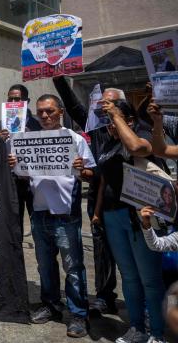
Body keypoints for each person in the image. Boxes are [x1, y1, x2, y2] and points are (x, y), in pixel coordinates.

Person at [92, 99, 166, 343]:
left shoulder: (141, 135)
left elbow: (136, 148)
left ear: (130, 120)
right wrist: (97, 211)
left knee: (150, 279)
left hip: (138, 216)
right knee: (129, 276)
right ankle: (137, 328)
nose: (110, 125)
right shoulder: (109, 143)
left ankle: (157, 332)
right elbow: (104, 179)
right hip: (113, 216)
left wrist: (117, 116)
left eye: (114, 119)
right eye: (108, 120)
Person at [25, 94, 94, 338]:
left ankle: (78, 315)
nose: (44, 116)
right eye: (40, 112)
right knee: (45, 266)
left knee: (73, 267)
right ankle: (51, 306)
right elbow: (24, 174)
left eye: (50, 111)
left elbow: (90, 173)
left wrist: (80, 168)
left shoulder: (75, 139)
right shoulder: (29, 140)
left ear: (60, 111)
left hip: (66, 214)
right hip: (39, 212)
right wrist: (15, 163)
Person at [53, 75, 121, 315]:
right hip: (98, 200)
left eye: (110, 103)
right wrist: (57, 74)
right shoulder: (95, 127)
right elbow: (73, 105)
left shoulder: (132, 131)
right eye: (101, 103)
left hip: (128, 203)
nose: (104, 107)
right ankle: (104, 296)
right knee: (101, 249)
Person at [0, 84, 41, 237]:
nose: (13, 102)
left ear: (27, 101)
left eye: (17, 99)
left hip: (34, 179)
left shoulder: (38, 124)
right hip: (11, 180)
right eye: (10, 99)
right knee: (14, 222)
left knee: (39, 222)